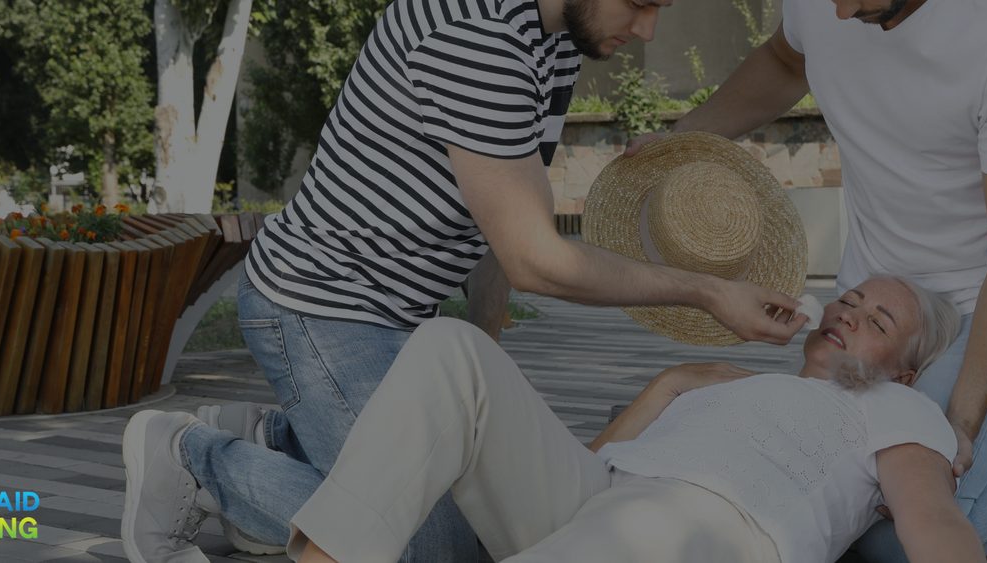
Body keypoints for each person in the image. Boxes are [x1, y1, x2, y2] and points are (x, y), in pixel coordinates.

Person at [117, 0, 812, 559]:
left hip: (398, 316)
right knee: (435, 546)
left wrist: (487, 362)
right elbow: (536, 256)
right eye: (637, 4)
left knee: (474, 496)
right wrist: (707, 289)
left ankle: (285, 439)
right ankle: (194, 461)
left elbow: (501, 216)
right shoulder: (474, 38)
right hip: (317, 304)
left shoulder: (554, 39)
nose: (647, 29)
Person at [620, 0, 987, 558]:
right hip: (879, 308)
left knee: (889, 540)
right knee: (837, 497)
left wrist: (961, 424)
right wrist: (687, 136)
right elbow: (785, 61)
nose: (841, 11)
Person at [127, 276, 984, 563]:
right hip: (605, 493)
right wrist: (676, 380)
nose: (849, 314)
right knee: (452, 345)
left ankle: (218, 457)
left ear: (905, 368)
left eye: (878, 322)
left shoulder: (901, 409)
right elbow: (594, 461)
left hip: (715, 525)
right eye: (854, 298)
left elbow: (934, 520)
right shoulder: (731, 380)